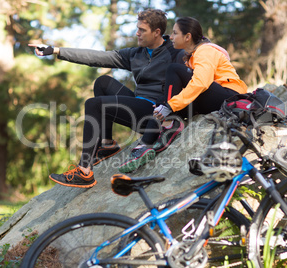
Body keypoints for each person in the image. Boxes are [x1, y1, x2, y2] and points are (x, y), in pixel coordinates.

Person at [29, 9, 183, 188]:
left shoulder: (174, 52)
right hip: (138, 104)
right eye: (137, 28)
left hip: (155, 114)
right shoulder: (136, 54)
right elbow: (98, 57)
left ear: (157, 32)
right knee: (102, 82)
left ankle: (84, 170)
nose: (137, 33)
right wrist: (56, 50)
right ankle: (107, 144)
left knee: (94, 105)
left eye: (142, 30)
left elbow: (197, 61)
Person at [152, 16, 248, 153]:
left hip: (230, 96)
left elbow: (202, 82)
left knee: (174, 69)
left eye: (175, 32)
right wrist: (165, 104)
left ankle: (169, 125)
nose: (171, 37)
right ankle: (156, 137)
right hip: (213, 100)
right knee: (161, 100)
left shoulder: (205, 51)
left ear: (187, 36)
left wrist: (170, 106)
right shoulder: (191, 57)